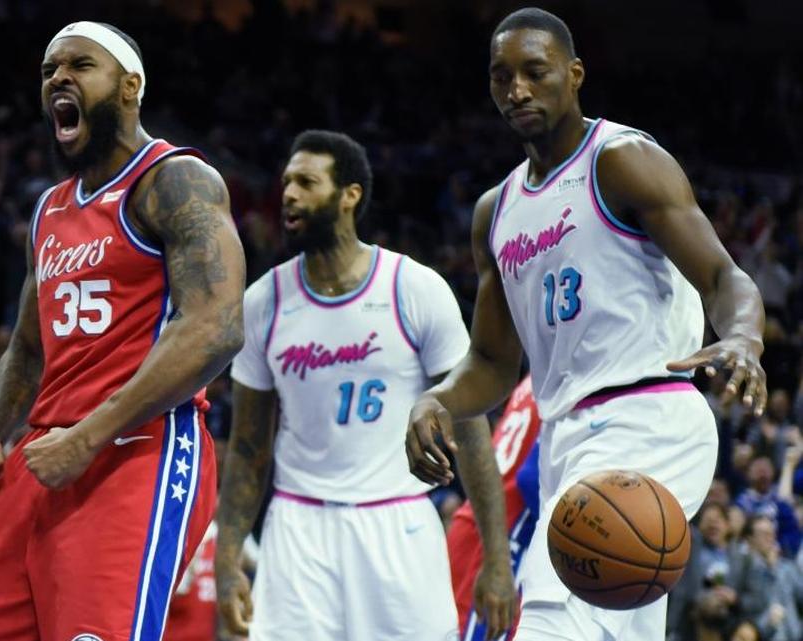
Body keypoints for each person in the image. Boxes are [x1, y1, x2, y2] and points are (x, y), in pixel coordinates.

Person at [406, 7, 767, 641]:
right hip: (566, 437)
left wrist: (742, 335)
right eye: (501, 77)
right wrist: (436, 399)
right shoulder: (495, 211)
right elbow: (492, 365)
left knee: (550, 617)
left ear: (573, 75)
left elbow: (722, 276)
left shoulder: (622, 160)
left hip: (647, 417)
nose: (516, 89)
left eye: (535, 72)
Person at [0, 21, 245, 641]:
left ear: (130, 86)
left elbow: (216, 326)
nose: (58, 79)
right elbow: (27, 348)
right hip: (44, 454)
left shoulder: (174, 180)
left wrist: (88, 436)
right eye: (50, 70)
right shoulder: (49, 208)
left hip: (137, 447)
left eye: (79, 65)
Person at [216, 130, 514, 641]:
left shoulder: (414, 289)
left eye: (307, 182)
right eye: (286, 182)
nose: (288, 194)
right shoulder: (263, 301)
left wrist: (497, 558)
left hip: (396, 522)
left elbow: (470, 431)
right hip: (298, 528)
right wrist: (227, 559)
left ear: (349, 195)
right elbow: (246, 447)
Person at [448, 375, 542, 641]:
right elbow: (531, 478)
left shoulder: (539, 373)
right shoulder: (582, 376)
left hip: (477, 525)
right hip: (501, 539)